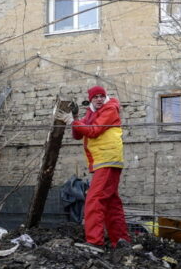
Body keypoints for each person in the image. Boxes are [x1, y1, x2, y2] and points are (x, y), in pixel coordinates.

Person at [55, 85, 131, 248]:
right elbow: (77, 134)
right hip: (106, 161)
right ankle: (121, 241)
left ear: (105, 97)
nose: (99, 99)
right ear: (90, 99)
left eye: (101, 96)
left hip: (107, 159)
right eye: (95, 97)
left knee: (94, 200)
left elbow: (94, 130)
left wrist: (72, 121)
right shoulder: (92, 113)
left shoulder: (110, 109)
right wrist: (74, 118)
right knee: (111, 203)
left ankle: (95, 242)